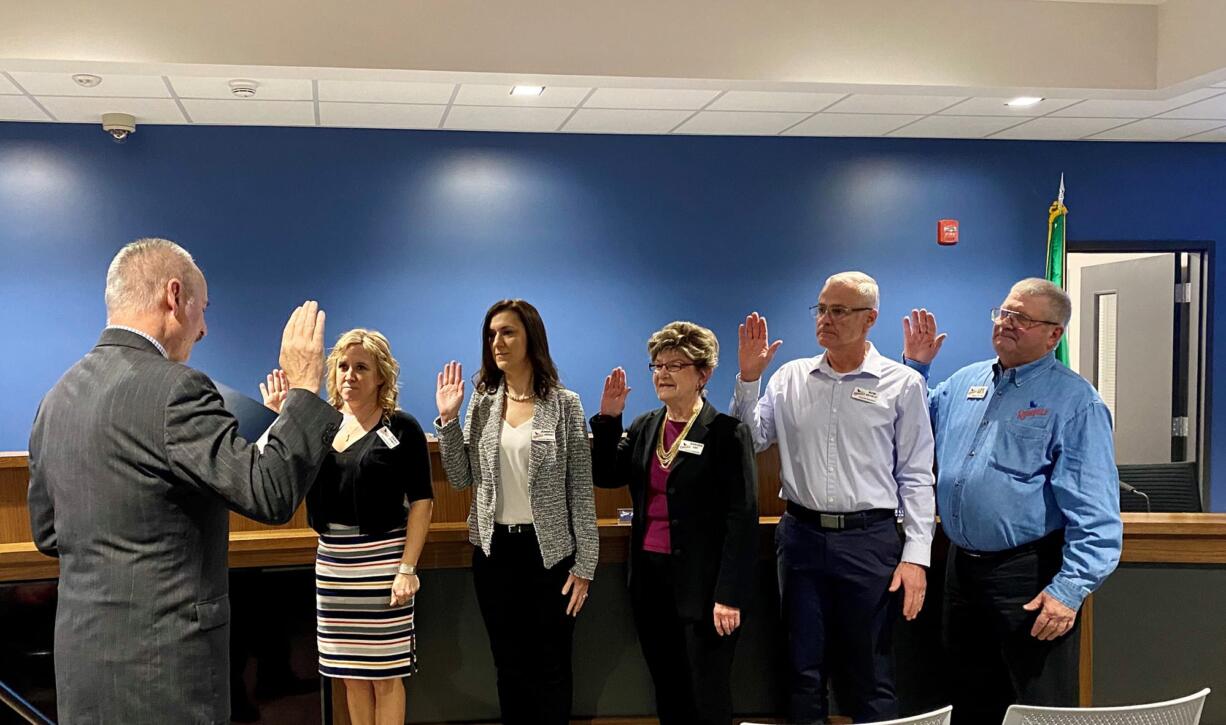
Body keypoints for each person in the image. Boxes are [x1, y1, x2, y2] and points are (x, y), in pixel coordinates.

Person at [27, 237, 340, 724]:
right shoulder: (178, 388)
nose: (204, 328)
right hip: (166, 670)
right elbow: (271, 493)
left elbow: (48, 533)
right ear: (174, 296)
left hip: (82, 664)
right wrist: (303, 386)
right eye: (202, 309)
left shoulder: (57, 398)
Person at [902, 278, 1122, 724]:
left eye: (1021, 318)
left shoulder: (1076, 402)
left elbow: (1097, 516)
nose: (1005, 323)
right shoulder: (966, 380)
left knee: (1036, 704)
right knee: (970, 696)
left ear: (1053, 334)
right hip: (961, 570)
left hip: (1029, 575)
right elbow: (911, 424)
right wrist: (915, 369)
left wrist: (1069, 591)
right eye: (1002, 313)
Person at [733, 271, 936, 724]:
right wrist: (748, 380)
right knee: (802, 669)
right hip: (801, 538)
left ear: (870, 319)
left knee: (870, 672)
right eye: (821, 308)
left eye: (839, 310)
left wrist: (917, 556)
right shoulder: (789, 378)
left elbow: (918, 476)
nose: (825, 319)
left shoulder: (902, 384)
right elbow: (749, 441)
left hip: (871, 542)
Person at [433, 299, 598, 725]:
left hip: (551, 556)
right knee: (508, 665)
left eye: (507, 332)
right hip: (495, 554)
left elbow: (580, 490)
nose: (497, 343)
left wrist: (585, 565)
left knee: (552, 666)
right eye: (491, 335)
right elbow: (460, 477)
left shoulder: (565, 404)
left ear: (531, 338)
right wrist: (448, 421)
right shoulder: (484, 402)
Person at [260, 329, 434, 725]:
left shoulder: (402, 428)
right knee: (352, 677)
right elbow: (282, 470)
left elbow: (423, 503)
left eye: (361, 367)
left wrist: (407, 568)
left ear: (381, 377)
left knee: (386, 676)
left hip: (384, 562)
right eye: (342, 366)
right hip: (335, 564)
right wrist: (280, 420)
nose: (349, 375)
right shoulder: (321, 424)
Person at [590, 321, 758, 725]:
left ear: (703, 374)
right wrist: (609, 420)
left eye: (674, 365)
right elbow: (608, 475)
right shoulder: (646, 426)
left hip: (705, 587)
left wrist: (729, 594)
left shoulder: (725, 433)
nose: (662, 374)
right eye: (657, 365)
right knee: (668, 689)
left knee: (707, 693)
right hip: (651, 580)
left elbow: (742, 517)